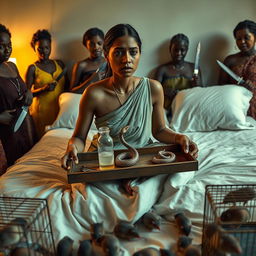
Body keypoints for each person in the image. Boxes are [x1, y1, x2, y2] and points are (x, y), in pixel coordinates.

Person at [61, 24, 198, 179]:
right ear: (107, 55)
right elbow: (79, 137)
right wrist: (71, 147)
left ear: (139, 53)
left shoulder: (153, 88)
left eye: (133, 52)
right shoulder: (94, 94)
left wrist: (180, 137)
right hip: (106, 161)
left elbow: (159, 131)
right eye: (118, 52)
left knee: (178, 178)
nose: (127, 60)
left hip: (143, 158)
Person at [0, 24, 36, 167]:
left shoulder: (11, 65)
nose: (8, 49)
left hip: (24, 124)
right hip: (6, 132)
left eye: (10, 44)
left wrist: (28, 92)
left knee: (27, 165)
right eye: (1, 46)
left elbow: (21, 89)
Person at [26, 29, 67, 138]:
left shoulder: (59, 64)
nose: (44, 51)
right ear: (34, 48)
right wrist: (43, 89)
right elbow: (27, 95)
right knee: (44, 141)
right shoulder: (32, 69)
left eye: (47, 48)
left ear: (51, 47)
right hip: (42, 112)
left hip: (61, 109)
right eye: (40, 48)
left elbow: (67, 87)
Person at [154, 33, 202, 117]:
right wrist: (164, 91)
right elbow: (153, 92)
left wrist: (196, 85)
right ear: (170, 49)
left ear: (187, 50)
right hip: (167, 110)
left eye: (182, 50)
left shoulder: (193, 68)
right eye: (175, 50)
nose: (179, 53)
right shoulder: (163, 69)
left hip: (188, 109)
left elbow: (201, 93)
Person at [218, 20, 256, 119]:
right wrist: (236, 88)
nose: (242, 42)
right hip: (235, 108)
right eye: (238, 39)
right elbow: (220, 88)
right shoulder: (230, 60)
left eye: (246, 38)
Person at [70, 27, 107, 94]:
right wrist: (91, 81)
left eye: (99, 43)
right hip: (88, 102)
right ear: (86, 45)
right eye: (91, 44)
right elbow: (72, 91)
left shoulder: (109, 63)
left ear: (104, 43)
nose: (96, 47)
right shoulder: (81, 65)